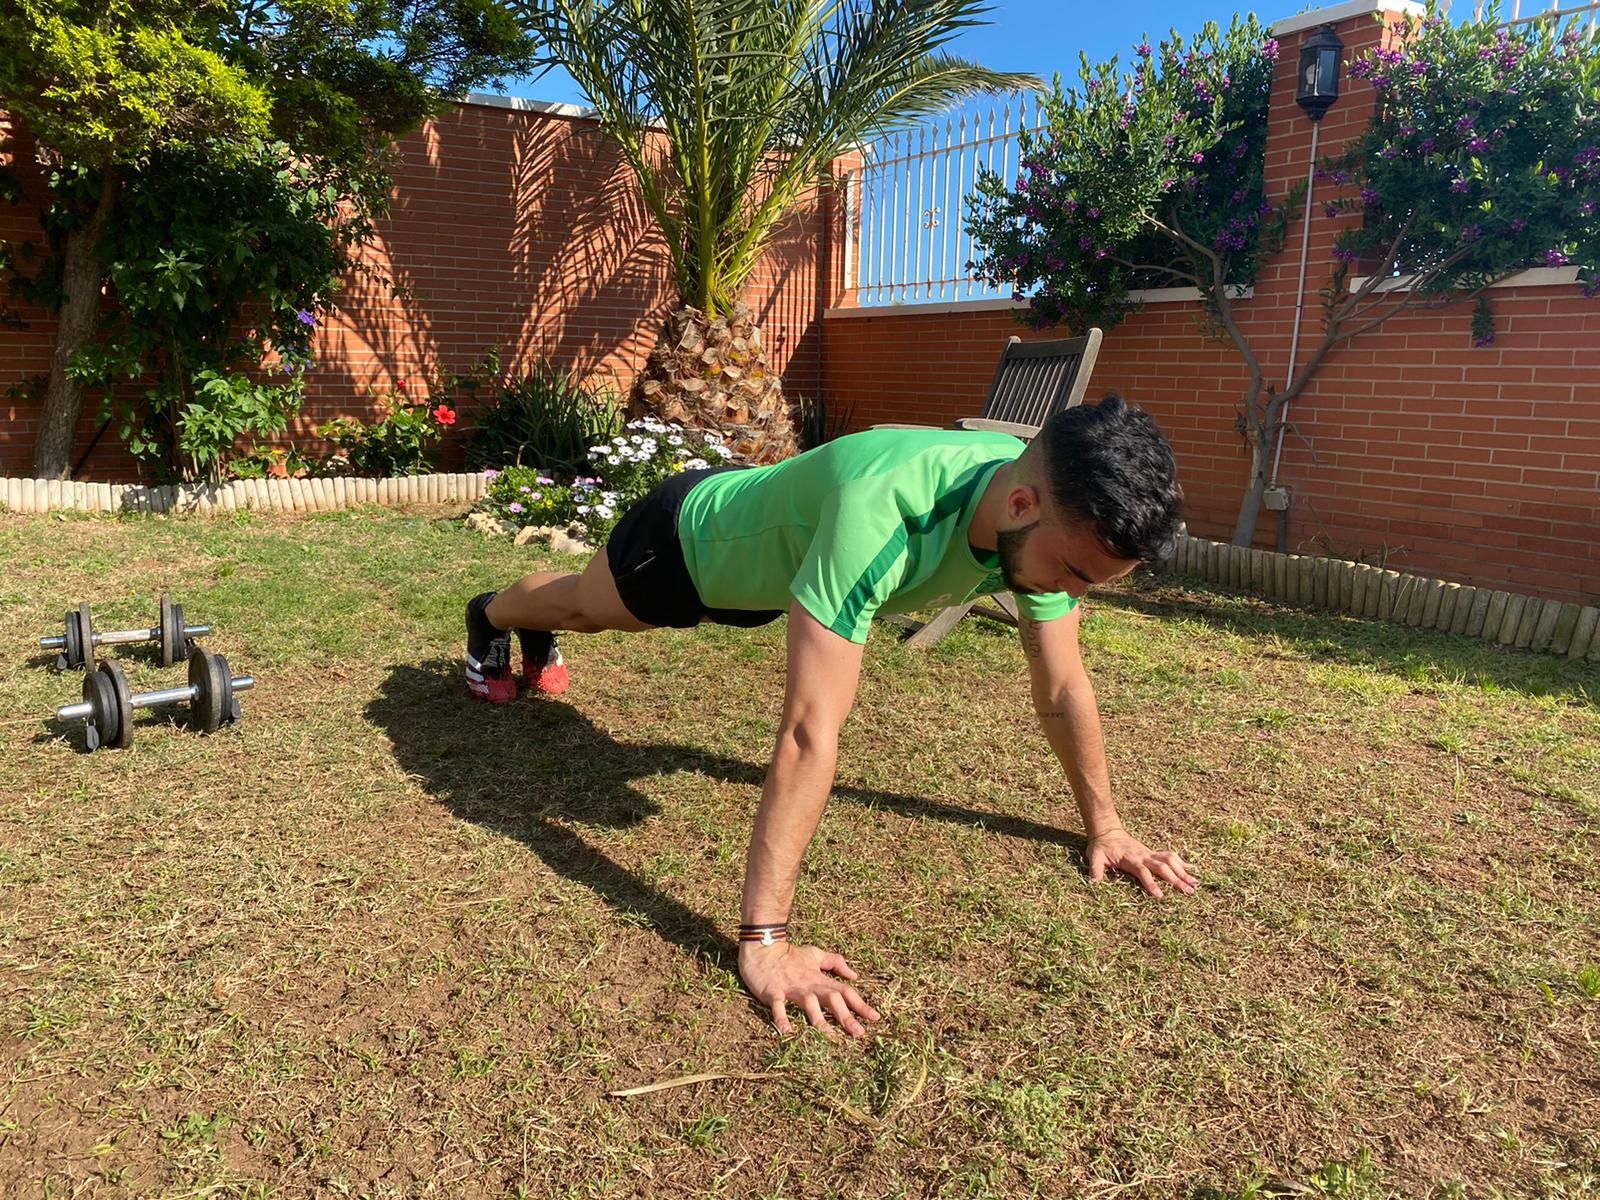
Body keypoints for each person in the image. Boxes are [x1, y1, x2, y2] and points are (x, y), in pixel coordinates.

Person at [463, 394, 1198, 1037]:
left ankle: (525, 626)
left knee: (591, 606)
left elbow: (1064, 686)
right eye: (1073, 574)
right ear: (1020, 506)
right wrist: (764, 942)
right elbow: (810, 730)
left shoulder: (1039, 501)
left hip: (781, 559)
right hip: (690, 545)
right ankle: (493, 617)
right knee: (585, 607)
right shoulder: (882, 511)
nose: (1074, 594)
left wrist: (1108, 828)